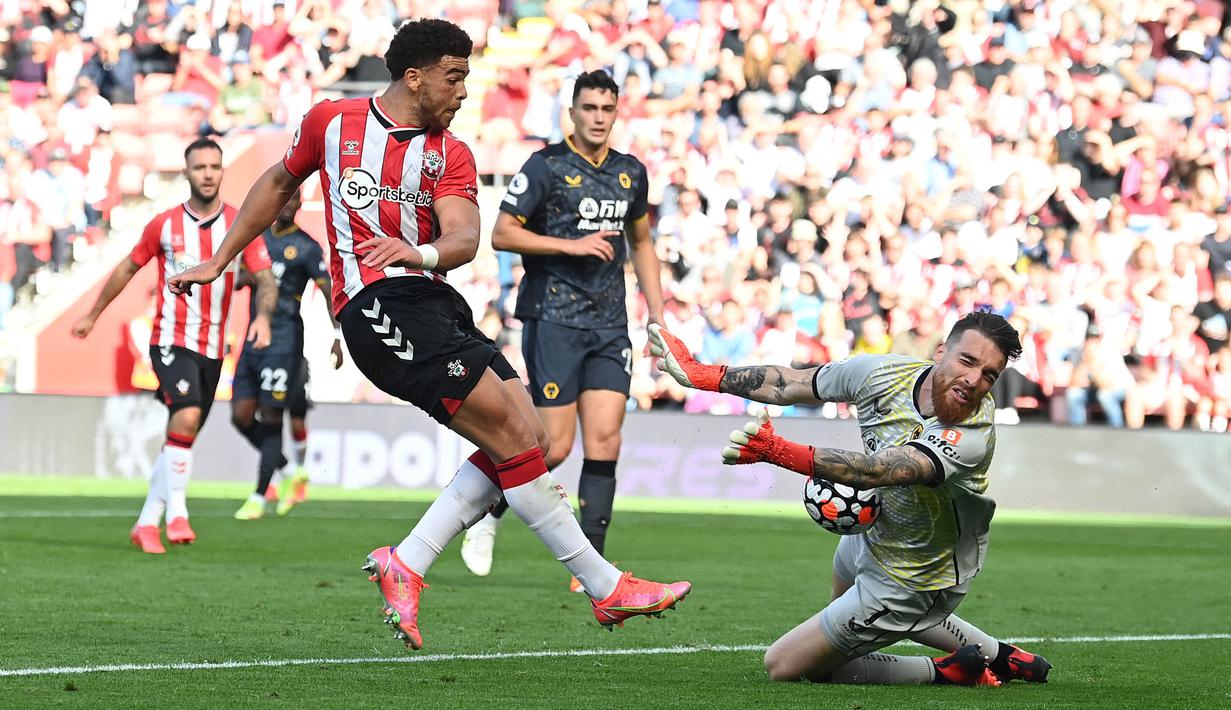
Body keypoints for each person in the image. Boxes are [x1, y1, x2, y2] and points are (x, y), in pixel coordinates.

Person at [167, 19, 689, 650]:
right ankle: (605, 587)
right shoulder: (331, 122)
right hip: (374, 306)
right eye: (455, 76)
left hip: (433, 299)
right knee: (511, 433)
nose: (464, 91)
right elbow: (278, 183)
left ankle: (406, 561)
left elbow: (466, 236)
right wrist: (221, 259)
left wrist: (420, 253)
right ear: (414, 77)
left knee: (534, 438)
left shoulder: (451, 152)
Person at [647, 312, 1052, 685]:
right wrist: (701, 374)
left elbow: (877, 471)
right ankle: (1002, 656)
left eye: (989, 375)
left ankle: (945, 672)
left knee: (786, 666)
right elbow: (793, 382)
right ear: (940, 351)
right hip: (874, 530)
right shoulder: (881, 373)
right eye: (967, 361)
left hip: (916, 576)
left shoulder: (972, 436)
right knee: (844, 620)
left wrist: (777, 451)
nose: (974, 379)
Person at [460, 69, 663, 585]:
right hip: (552, 318)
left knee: (607, 440)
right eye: (589, 108)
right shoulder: (546, 166)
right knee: (553, 445)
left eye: (606, 109)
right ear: (571, 112)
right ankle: (486, 515)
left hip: (610, 324)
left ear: (617, 113)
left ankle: (592, 567)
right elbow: (503, 235)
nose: (598, 118)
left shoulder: (630, 173)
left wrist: (659, 316)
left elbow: (640, 243)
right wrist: (571, 245)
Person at [71, 138, 276, 554]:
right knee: (186, 416)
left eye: (214, 166)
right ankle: (178, 512)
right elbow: (128, 267)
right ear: (186, 172)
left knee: (179, 439)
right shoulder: (164, 225)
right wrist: (93, 314)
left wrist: (263, 316)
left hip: (214, 348)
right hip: (170, 339)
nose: (207, 173)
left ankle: (147, 522)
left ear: (222, 171)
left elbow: (266, 278)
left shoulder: (240, 224)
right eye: (199, 166)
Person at [231, 187, 343, 520]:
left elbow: (328, 292)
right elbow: (237, 276)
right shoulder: (257, 238)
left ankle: (259, 495)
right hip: (254, 339)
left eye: (295, 201)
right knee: (239, 417)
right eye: (285, 199)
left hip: (285, 343)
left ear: (300, 205)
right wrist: (244, 277)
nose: (289, 205)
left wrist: (337, 336)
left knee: (271, 417)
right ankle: (286, 468)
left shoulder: (307, 248)